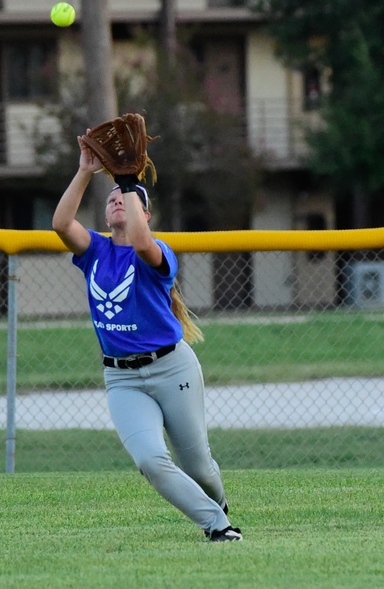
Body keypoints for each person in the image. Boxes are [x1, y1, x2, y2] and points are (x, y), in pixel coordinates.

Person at [52, 132, 241, 542]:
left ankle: (218, 503)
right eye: (113, 199)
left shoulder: (158, 251)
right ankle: (217, 525)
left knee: (199, 466)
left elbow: (140, 241)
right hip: (122, 379)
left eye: (130, 198)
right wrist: (86, 172)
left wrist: (125, 181)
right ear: (104, 216)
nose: (118, 199)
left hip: (172, 368)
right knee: (152, 461)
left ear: (146, 214)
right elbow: (61, 224)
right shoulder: (94, 251)